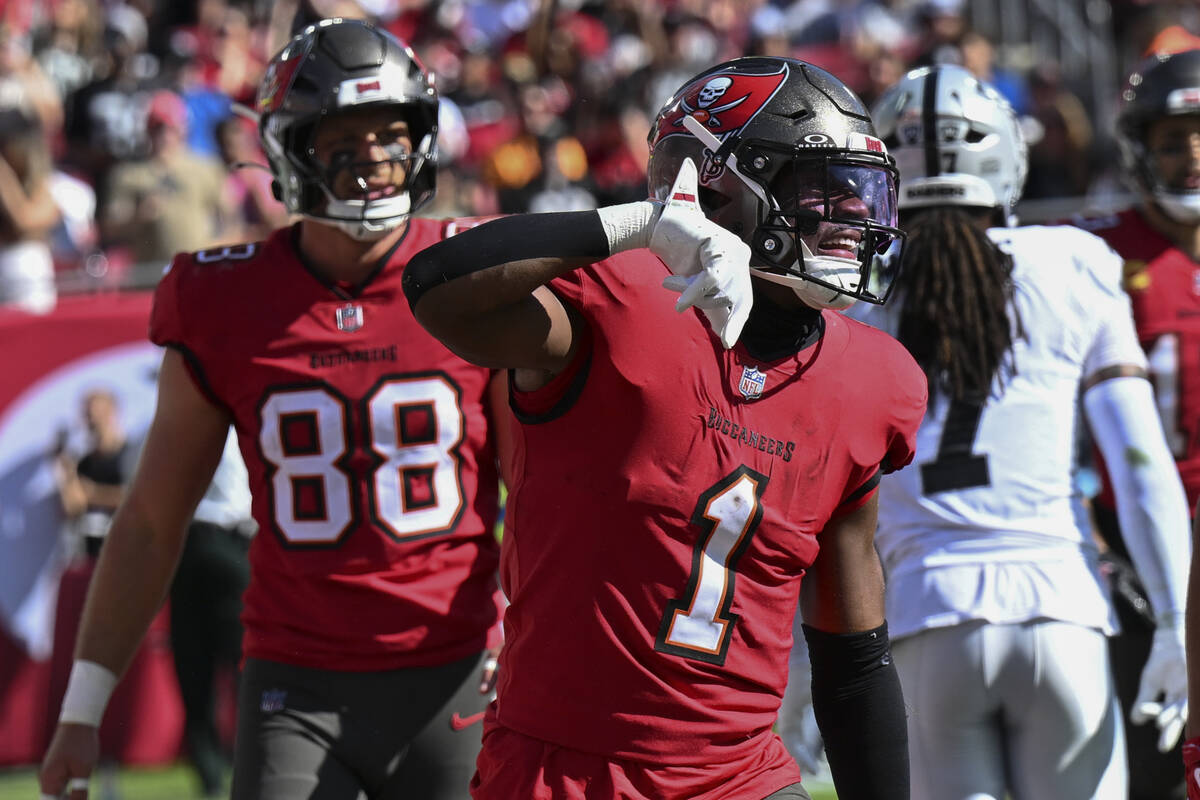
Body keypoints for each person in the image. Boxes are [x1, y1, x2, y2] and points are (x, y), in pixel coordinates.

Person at [404, 56, 926, 800]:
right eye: (820, 190)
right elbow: (436, 288)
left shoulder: (875, 380)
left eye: (857, 192)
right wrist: (640, 226)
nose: (848, 217)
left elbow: (853, 654)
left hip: (738, 776)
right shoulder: (619, 304)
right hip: (563, 771)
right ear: (717, 188)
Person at [40, 18, 508, 800]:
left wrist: (528, 618)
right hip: (297, 679)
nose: (373, 160)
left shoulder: (475, 275)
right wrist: (82, 710)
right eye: (344, 138)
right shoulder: (222, 297)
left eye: (391, 134)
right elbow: (153, 518)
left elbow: (540, 491)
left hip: (454, 669)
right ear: (293, 149)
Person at [844, 63, 1189, 799]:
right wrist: (1172, 623)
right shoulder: (1072, 262)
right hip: (1058, 606)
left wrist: (813, 663)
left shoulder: (853, 295)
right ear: (1006, 154)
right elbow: (1138, 461)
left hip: (922, 615)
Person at [1078, 47, 1200, 800]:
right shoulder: (1093, 250)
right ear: (1139, 148)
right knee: (1147, 768)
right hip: (1137, 552)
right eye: (1172, 138)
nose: (1190, 155)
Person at [168, 429, 254, 798]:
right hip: (220, 543)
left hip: (214, 543)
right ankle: (221, 775)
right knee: (213, 669)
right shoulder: (247, 419)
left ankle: (220, 776)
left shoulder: (187, 421)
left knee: (234, 669)